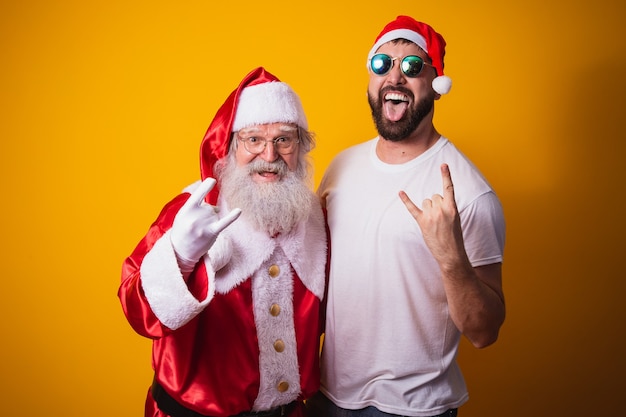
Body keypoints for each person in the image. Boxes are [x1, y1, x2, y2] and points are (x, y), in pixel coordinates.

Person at [306, 16, 506, 417]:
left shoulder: (469, 192)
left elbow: (484, 332)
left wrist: (450, 257)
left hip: (413, 408)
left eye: (412, 67)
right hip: (324, 396)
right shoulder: (340, 167)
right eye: (382, 64)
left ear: (436, 83)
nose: (395, 77)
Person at [118, 67, 327, 417]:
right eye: (253, 139)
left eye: (284, 139)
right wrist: (180, 257)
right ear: (230, 146)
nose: (270, 156)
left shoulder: (317, 222)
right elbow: (136, 311)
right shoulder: (191, 212)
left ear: (300, 148)